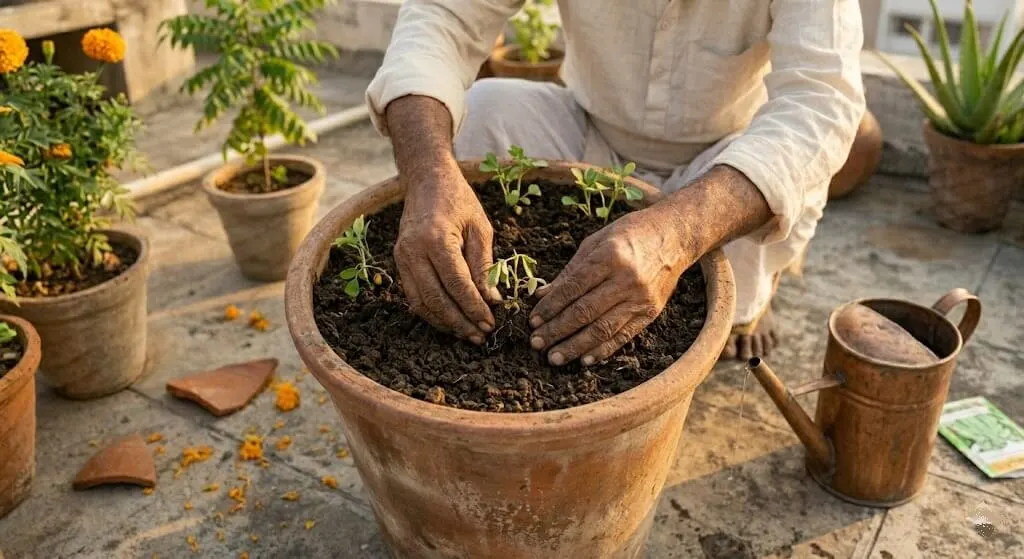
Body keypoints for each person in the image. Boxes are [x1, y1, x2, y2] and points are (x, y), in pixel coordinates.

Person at [365, 0, 866, 364]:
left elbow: (820, 103)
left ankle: (756, 298)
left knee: (784, 197)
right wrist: (428, 175)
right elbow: (440, 17)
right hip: (587, 131)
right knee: (489, 110)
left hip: (721, 161)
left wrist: (675, 233)